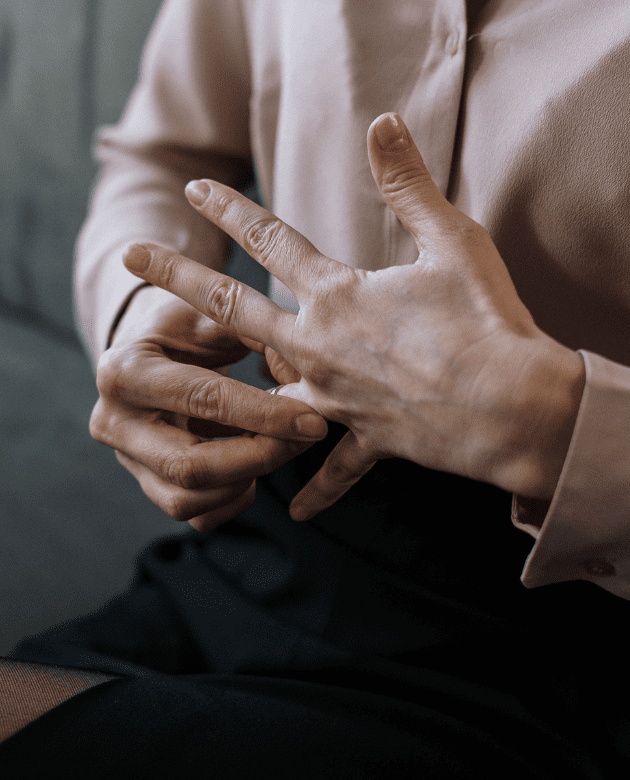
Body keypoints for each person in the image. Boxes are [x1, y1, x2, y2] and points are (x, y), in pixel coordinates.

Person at [2, 0, 630, 776]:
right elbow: (161, 156)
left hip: (583, 631)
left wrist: (552, 426)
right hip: (280, 541)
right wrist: (138, 317)